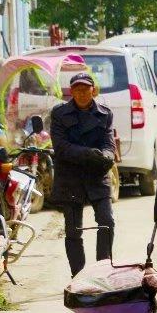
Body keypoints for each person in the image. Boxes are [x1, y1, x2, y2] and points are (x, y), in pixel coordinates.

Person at [48, 70, 116, 277]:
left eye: (85, 89)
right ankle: (78, 275)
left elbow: (109, 144)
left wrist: (105, 156)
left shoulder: (105, 113)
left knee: (107, 221)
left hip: (97, 175)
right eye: (77, 89)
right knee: (73, 229)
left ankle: (103, 269)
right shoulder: (59, 114)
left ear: (93, 90)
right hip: (70, 177)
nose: (82, 93)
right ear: (71, 92)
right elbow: (60, 147)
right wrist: (89, 153)